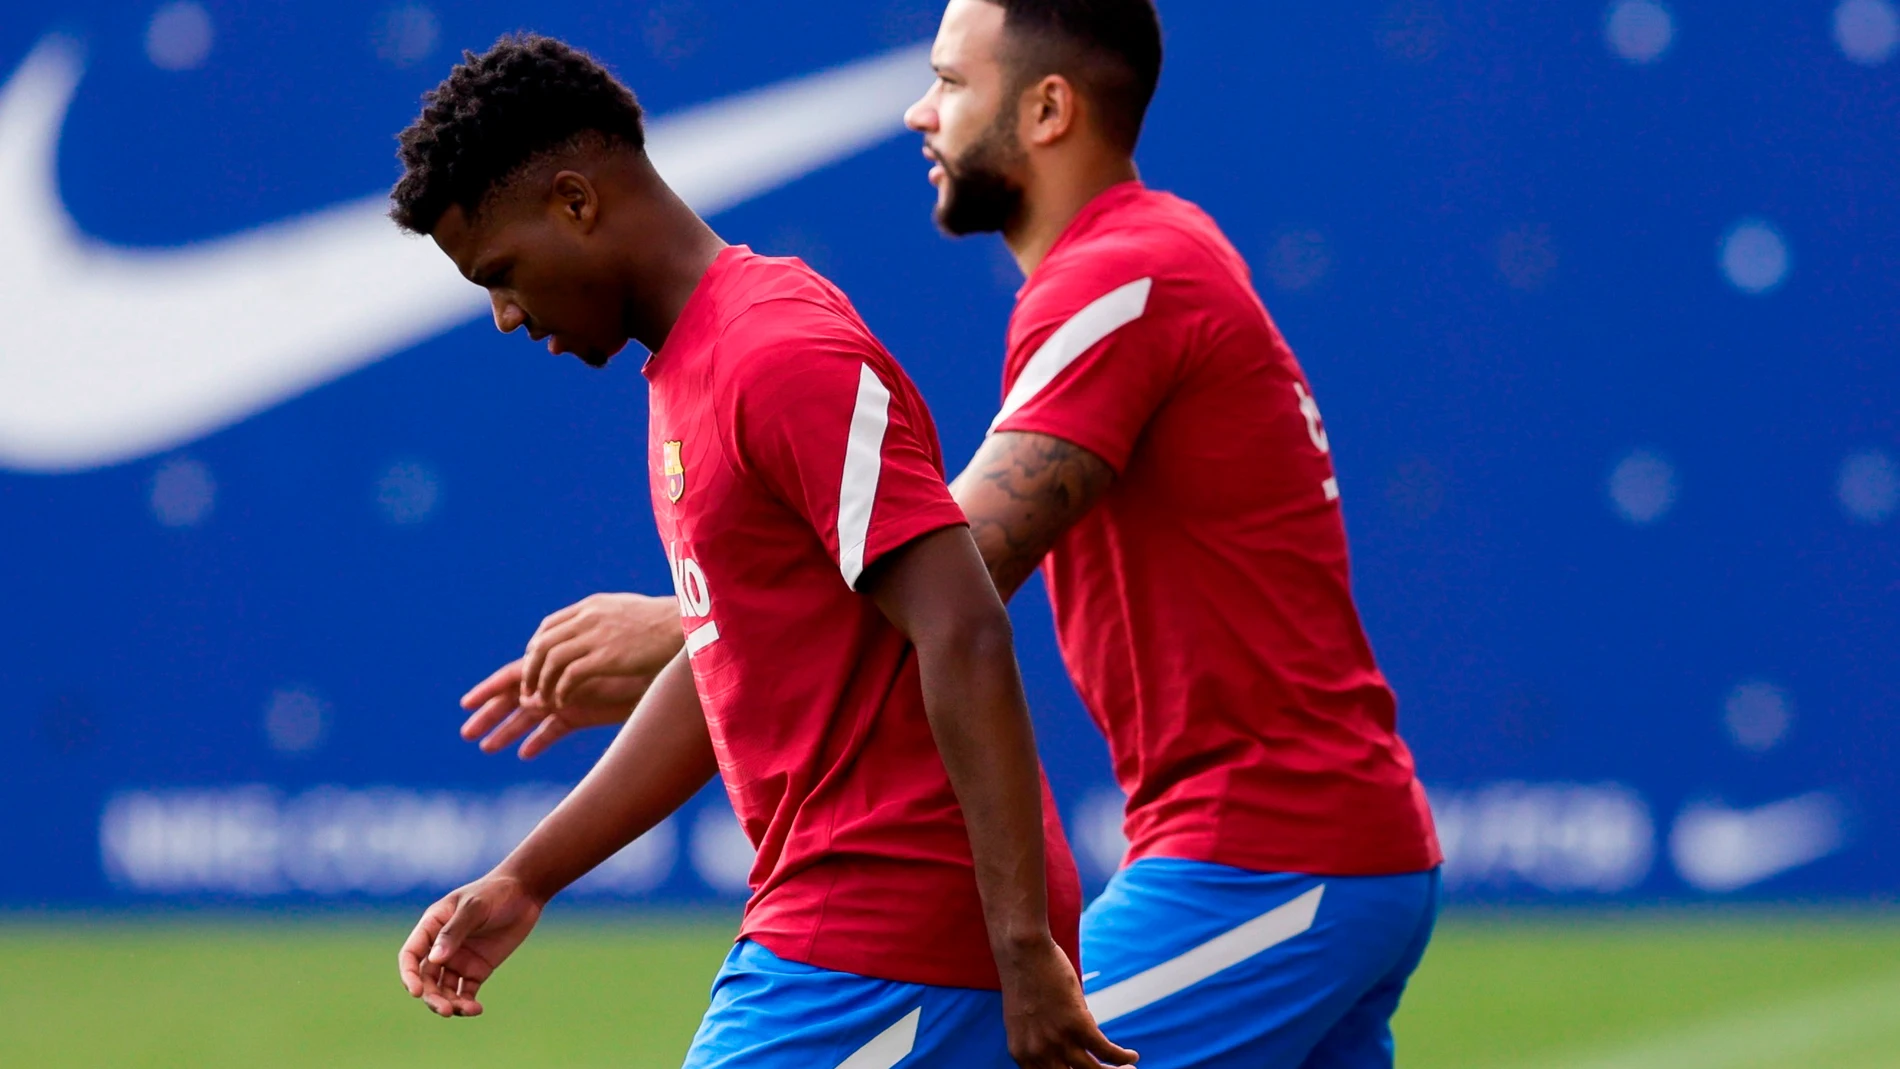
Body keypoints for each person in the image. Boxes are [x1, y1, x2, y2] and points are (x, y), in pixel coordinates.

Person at [466, 2, 1445, 1064]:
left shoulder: (1120, 277)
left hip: (1270, 850)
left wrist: (687, 620)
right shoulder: (1153, 254)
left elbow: (950, 568)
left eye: (950, 82)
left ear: (1047, 107)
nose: (917, 112)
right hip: (1298, 845)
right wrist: (720, 624)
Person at [390, 34, 1135, 1069]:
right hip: (839, 932)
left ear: (575, 202)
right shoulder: (690, 366)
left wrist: (1022, 946)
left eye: (502, 273)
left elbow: (961, 625)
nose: (506, 315)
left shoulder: (776, 352)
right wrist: (529, 875)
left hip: (889, 937)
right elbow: (719, 667)